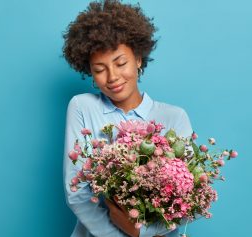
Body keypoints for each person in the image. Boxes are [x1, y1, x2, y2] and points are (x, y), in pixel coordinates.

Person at [62, 1, 194, 236]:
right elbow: (78, 192)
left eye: (121, 63)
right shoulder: (82, 107)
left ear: (139, 59)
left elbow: (187, 198)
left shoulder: (174, 117)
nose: (112, 77)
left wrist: (140, 234)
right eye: (99, 69)